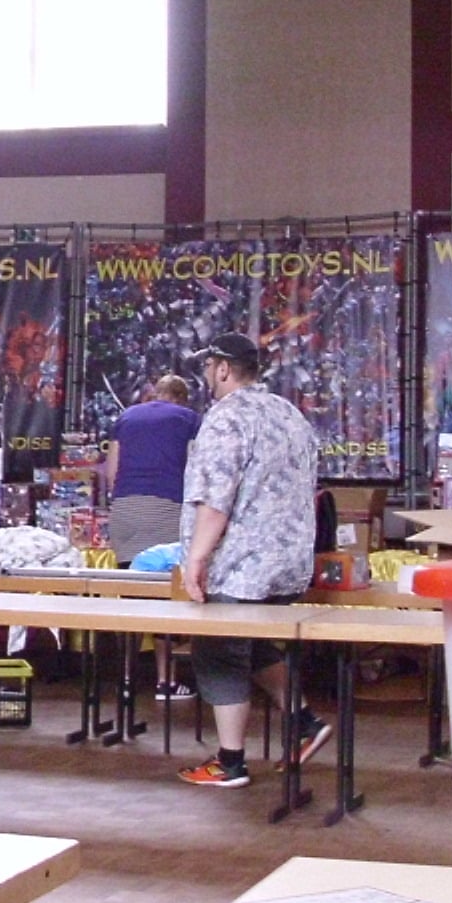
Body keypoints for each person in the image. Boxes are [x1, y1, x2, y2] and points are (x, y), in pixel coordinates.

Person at [176, 332, 330, 788]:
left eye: (209, 367)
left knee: (218, 652)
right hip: (288, 563)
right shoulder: (289, 413)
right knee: (257, 644)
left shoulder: (227, 418)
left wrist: (196, 559)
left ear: (223, 368)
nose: (207, 374)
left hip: (241, 565)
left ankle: (230, 762)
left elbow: (215, 498)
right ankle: (304, 722)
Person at [105, 374, 200, 700]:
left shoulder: (126, 418)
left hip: (125, 512)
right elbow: (197, 471)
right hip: (166, 510)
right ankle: (165, 681)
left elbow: (112, 473)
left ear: (154, 394)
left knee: (132, 595)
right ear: (182, 398)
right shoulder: (189, 420)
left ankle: (126, 680)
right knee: (166, 599)